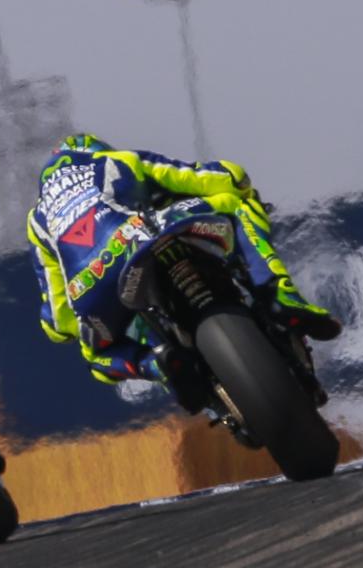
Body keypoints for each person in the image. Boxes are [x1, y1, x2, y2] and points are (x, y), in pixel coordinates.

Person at [26, 134, 340, 404]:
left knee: (96, 358)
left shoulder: (38, 221)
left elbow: (58, 322)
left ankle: (156, 364)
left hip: (93, 284)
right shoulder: (116, 160)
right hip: (146, 231)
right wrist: (238, 184)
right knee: (238, 205)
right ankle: (279, 295)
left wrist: (73, 326)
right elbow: (226, 179)